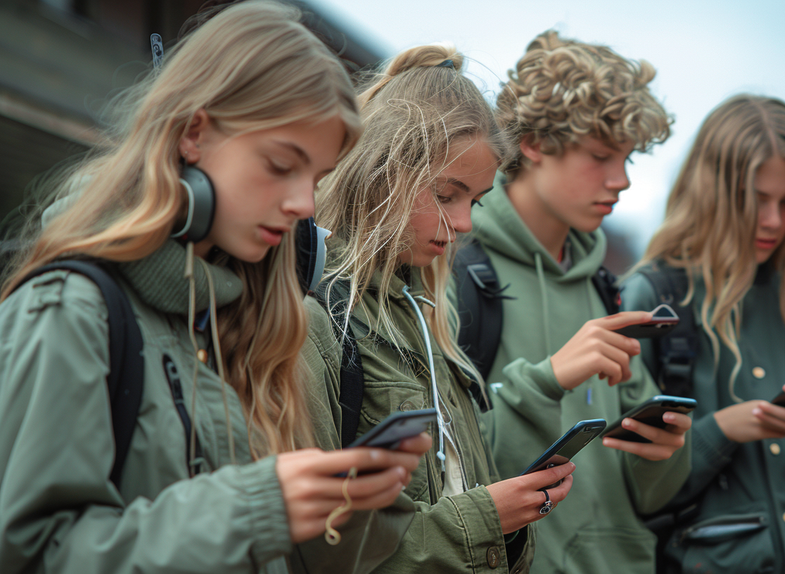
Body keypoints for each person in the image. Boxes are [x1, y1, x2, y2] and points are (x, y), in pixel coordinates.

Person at [0, 2, 429, 573]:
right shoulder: (69, 310)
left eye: (317, 178)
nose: (304, 204)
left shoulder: (243, 318)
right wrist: (253, 510)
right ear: (194, 133)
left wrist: (340, 501)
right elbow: (33, 554)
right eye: (281, 165)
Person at [306, 44, 575, 574]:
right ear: (381, 171)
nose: (467, 223)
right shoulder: (316, 313)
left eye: (473, 201)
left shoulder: (428, 312)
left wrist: (507, 524)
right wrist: (484, 519)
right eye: (447, 194)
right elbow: (323, 544)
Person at [461, 31, 691, 574]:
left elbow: (653, 496)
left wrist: (664, 451)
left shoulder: (603, 286)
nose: (623, 180)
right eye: (600, 156)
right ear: (534, 142)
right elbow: (450, 475)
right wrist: (548, 380)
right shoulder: (456, 268)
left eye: (629, 157)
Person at [620, 94, 785, 573]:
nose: (773, 221)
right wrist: (721, 430)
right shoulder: (651, 296)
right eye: (757, 200)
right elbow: (632, 490)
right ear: (713, 193)